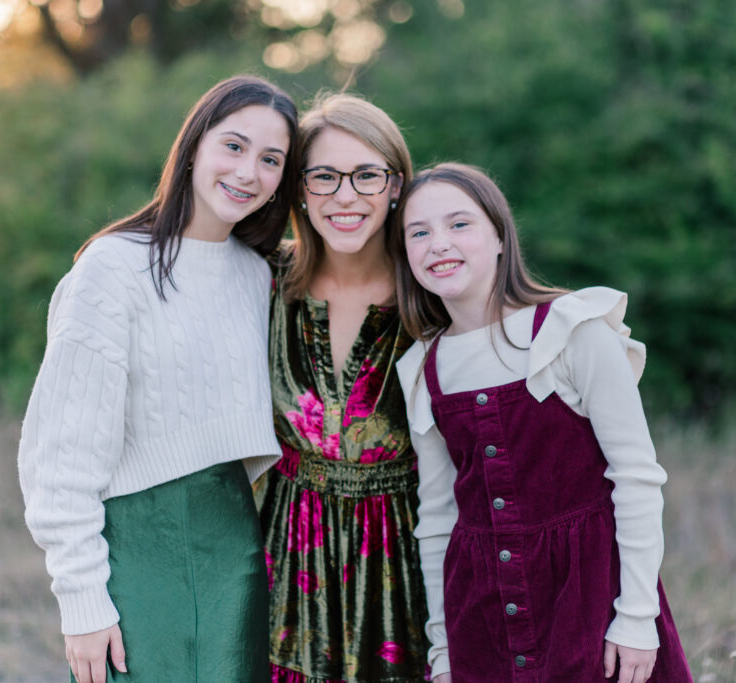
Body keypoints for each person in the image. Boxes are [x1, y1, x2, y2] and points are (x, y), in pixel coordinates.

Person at [17, 75, 299, 683]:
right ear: (194, 145)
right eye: (234, 146)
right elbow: (61, 454)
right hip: (139, 549)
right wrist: (81, 602)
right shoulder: (113, 268)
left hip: (236, 552)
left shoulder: (258, 277)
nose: (249, 171)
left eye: (270, 159)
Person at [391, 163, 692, 683]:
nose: (439, 243)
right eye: (419, 232)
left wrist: (637, 618)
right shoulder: (423, 368)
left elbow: (637, 478)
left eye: (459, 224)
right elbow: (438, 519)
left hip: (590, 599)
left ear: (501, 236)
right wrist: (442, 650)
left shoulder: (572, 330)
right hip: (481, 619)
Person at [254, 93, 431, 682]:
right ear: (300, 188)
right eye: (325, 176)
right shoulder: (263, 281)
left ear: (397, 185)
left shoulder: (432, 294)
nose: (346, 196)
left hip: (405, 558)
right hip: (291, 552)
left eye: (366, 175)